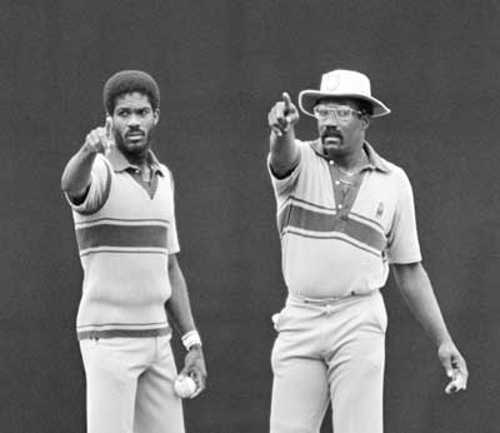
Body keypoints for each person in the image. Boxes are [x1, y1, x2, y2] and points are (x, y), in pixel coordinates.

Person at [266, 69, 468, 433]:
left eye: (340, 113)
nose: (328, 122)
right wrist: (281, 130)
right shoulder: (300, 159)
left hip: (358, 318)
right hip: (300, 316)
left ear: (365, 120)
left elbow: (409, 270)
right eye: (323, 112)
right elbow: (281, 158)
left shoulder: (394, 181)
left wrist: (443, 340)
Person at [61, 70, 207, 433]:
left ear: (156, 116)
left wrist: (192, 342)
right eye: (124, 113)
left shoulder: (164, 178)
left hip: (157, 340)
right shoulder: (100, 171)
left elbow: (170, 267)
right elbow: (72, 185)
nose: (134, 121)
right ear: (109, 119)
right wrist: (86, 150)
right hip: (108, 340)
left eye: (142, 112)